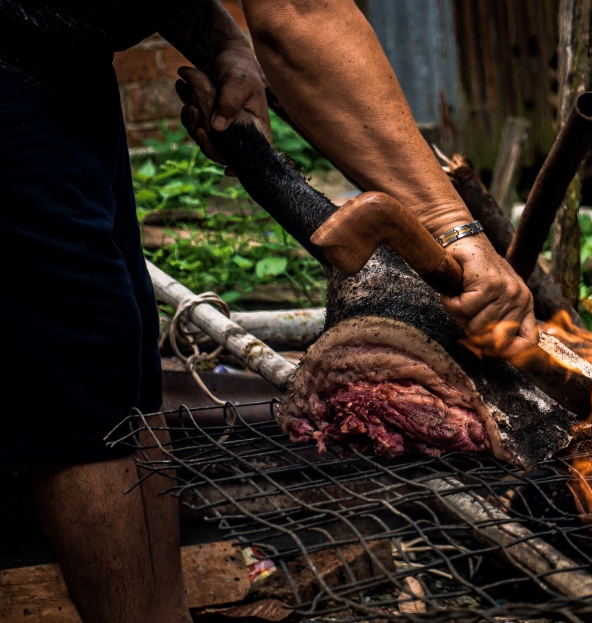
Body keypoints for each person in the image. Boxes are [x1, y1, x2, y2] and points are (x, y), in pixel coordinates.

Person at [0, 1, 535, 621]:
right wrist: (451, 227)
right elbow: (301, 14)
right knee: (81, 370)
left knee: (124, 352)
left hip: (64, 58)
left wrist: (221, 38)